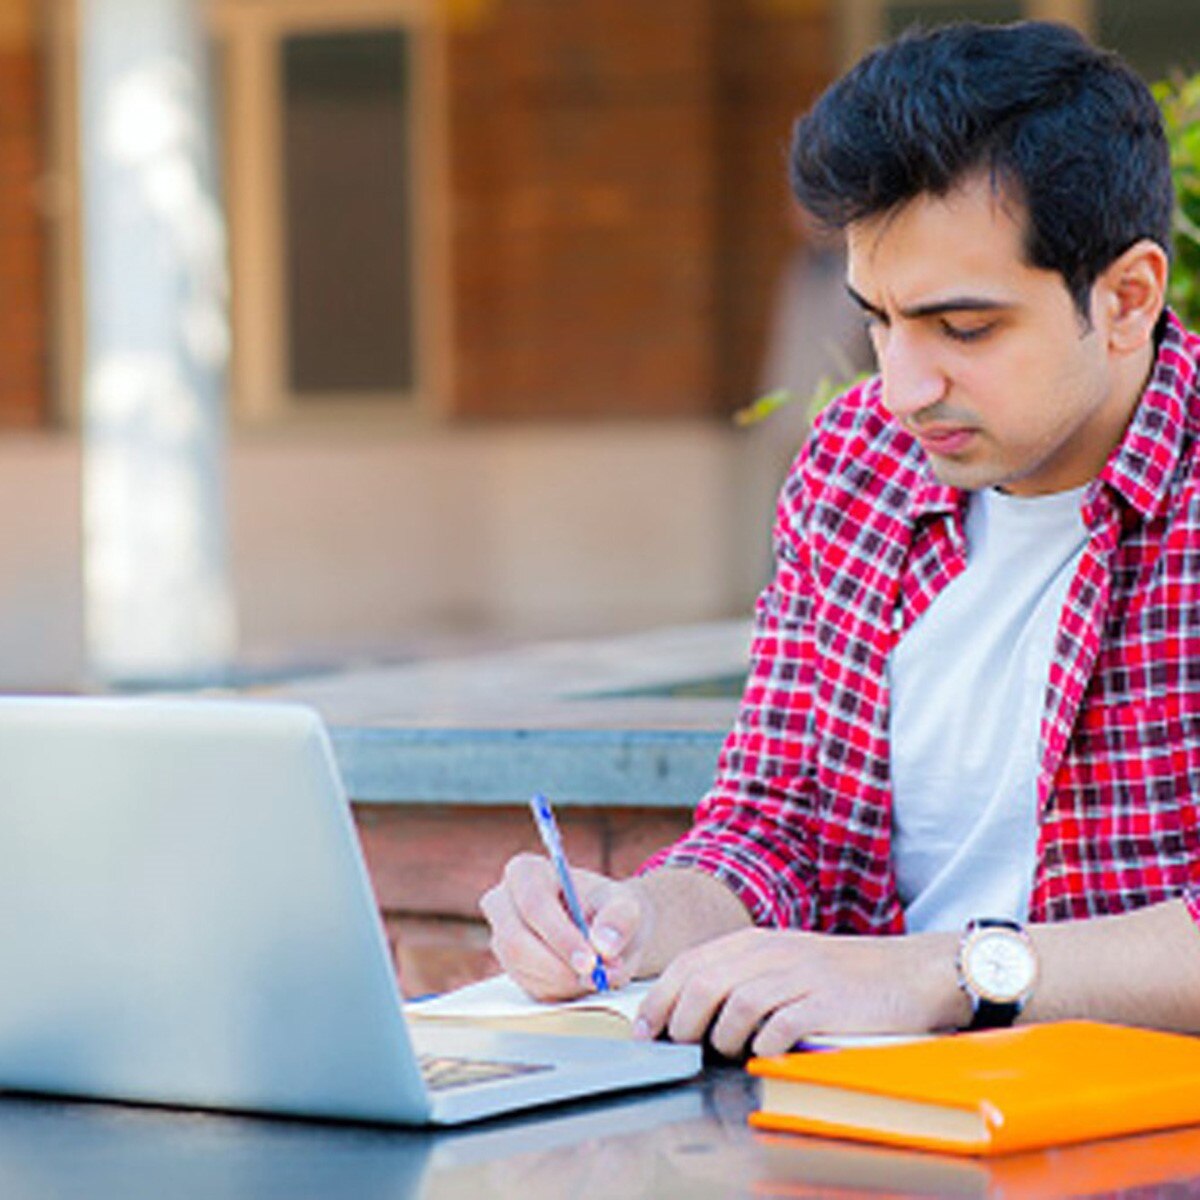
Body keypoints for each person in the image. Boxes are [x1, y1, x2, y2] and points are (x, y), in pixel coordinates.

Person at [481, 20, 1200, 1059]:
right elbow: (773, 832)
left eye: (964, 330)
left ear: (1127, 297)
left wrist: (948, 973)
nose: (903, 390)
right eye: (878, 320)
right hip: (863, 1126)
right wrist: (632, 921)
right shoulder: (853, 467)